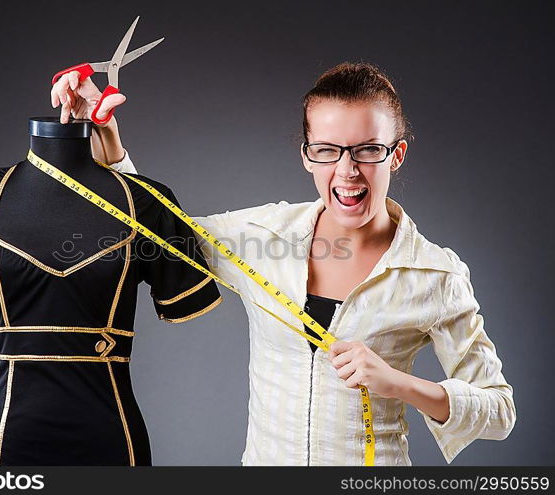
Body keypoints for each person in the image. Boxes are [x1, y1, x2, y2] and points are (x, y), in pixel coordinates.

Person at [51, 61, 516, 465]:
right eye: (327, 151)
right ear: (307, 157)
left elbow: (499, 411)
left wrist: (399, 383)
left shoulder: (435, 274)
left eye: (368, 150)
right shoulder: (264, 238)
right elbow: (162, 230)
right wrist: (107, 138)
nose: (347, 171)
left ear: (396, 155)